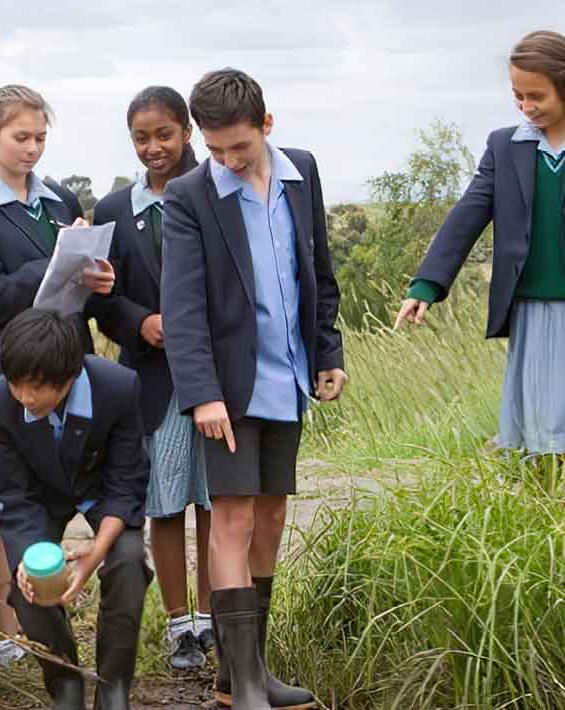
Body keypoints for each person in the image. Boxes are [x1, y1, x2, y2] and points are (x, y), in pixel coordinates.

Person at [160, 68, 346, 710]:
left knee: (271, 514)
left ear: (267, 126)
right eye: (214, 149)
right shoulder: (189, 195)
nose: (227, 161)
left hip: (288, 377)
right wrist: (202, 393)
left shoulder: (303, 170)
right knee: (232, 515)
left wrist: (329, 351)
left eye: (238, 147)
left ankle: (249, 670)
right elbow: (180, 307)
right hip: (227, 389)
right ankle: (242, 687)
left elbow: (318, 268)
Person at [0, 85, 114, 666]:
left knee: (55, 498)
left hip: (71, 367)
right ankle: (1, 635)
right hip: (7, 373)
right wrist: (55, 260)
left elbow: (72, 290)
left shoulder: (60, 199)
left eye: (41, 137)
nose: (34, 148)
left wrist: (95, 278)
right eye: (22, 138)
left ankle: (47, 614)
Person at [395, 30, 565, 461]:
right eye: (518, 96)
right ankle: (542, 510)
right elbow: (465, 217)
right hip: (530, 307)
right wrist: (426, 286)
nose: (527, 107)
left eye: (537, 96)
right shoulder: (505, 147)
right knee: (536, 430)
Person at [88, 86, 213, 670]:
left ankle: (215, 616)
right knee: (164, 504)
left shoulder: (215, 190)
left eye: (164, 134)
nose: (154, 147)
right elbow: (102, 302)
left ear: (187, 131)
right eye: (141, 137)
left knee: (217, 502)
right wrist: (143, 322)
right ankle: (179, 623)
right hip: (151, 378)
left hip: (215, 377)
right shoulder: (114, 209)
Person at [0, 308, 151, 710]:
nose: (24, 397)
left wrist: (96, 552)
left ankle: (112, 688)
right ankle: (65, 683)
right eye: (16, 385)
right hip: (41, 497)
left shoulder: (119, 387)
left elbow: (127, 484)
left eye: (37, 388)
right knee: (26, 581)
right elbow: (15, 497)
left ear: (70, 376)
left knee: (127, 559)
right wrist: (26, 558)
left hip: (102, 492)